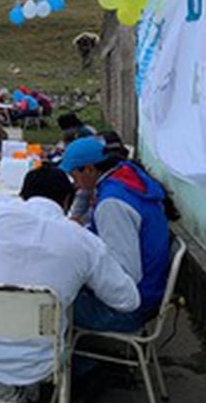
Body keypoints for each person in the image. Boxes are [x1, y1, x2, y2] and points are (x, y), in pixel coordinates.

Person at [0, 165, 139, 403]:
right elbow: (128, 300)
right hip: (40, 359)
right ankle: (22, 389)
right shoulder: (84, 241)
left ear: (23, 195)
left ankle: (8, 390)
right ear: (66, 201)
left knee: (9, 316)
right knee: (55, 314)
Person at [60, 136, 169, 331]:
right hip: (151, 290)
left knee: (55, 304)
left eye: (74, 175)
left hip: (132, 307)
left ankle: (82, 360)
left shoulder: (111, 205)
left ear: (90, 169)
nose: (74, 184)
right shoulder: (125, 176)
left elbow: (126, 274)